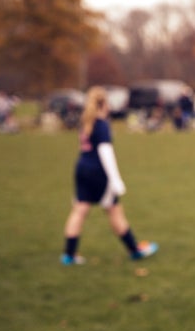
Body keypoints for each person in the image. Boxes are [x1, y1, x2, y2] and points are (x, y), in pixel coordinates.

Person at [61, 86, 158, 265]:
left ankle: (69, 255)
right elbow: (105, 152)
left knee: (79, 210)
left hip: (81, 168)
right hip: (98, 172)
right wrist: (115, 180)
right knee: (114, 211)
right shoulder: (101, 124)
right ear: (104, 103)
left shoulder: (86, 123)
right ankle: (134, 250)